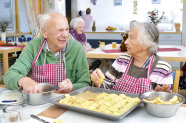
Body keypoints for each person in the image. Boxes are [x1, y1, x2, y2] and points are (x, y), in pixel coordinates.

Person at [3, 12, 90, 93]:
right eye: (60, 30)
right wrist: (23, 80)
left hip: (65, 103)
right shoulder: (33, 47)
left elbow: (85, 83)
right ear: (44, 32)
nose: (65, 35)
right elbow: (9, 75)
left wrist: (73, 87)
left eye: (67, 29)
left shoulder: (76, 48)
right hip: (37, 102)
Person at [90, 20, 173, 94]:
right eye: (127, 37)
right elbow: (107, 86)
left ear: (146, 44)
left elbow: (164, 100)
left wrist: (160, 97)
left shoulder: (163, 69)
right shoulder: (122, 60)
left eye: (132, 38)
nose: (125, 42)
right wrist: (98, 82)